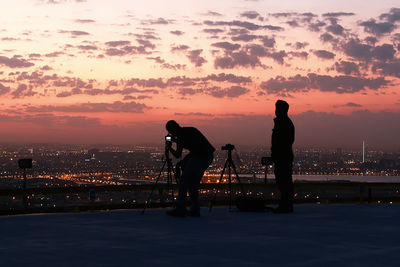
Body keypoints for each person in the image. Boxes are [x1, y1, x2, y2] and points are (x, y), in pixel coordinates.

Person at [165, 120, 215, 217]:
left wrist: (169, 147)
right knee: (193, 184)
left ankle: (180, 209)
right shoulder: (189, 129)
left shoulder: (181, 136)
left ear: (172, 130)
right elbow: (190, 142)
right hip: (207, 156)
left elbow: (177, 155)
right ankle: (195, 210)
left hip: (199, 157)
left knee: (183, 182)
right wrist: (175, 140)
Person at [271, 100, 295, 213]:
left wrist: (276, 153)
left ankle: (286, 205)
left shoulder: (283, 123)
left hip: (283, 157)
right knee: (283, 181)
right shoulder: (284, 122)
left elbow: (282, 142)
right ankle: (285, 204)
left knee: (284, 181)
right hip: (282, 156)